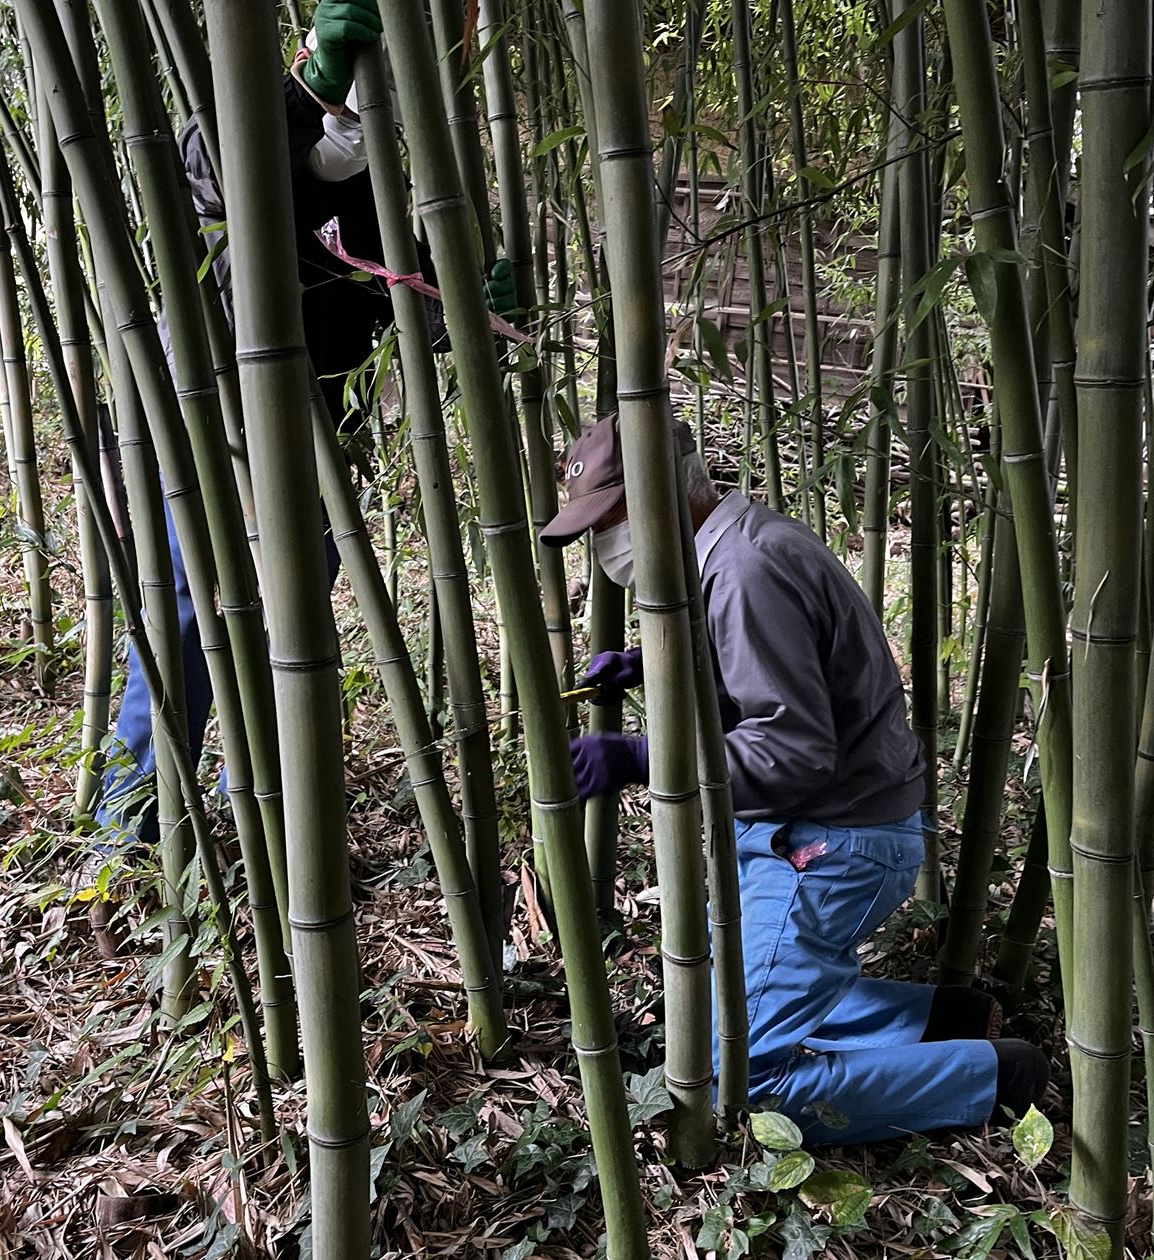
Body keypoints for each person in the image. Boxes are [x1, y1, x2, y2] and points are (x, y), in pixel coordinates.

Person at [539, 417, 1050, 1145]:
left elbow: (794, 749)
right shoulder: (728, 550)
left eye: (610, 520)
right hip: (814, 828)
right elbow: (760, 683)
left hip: (833, 844)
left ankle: (993, 1078)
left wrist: (645, 758)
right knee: (715, 994)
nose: (605, 544)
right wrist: (651, 668)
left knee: (727, 1081)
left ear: (665, 494)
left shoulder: (746, 571)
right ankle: (938, 1021)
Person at [92, 0, 515, 862]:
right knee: (187, 602)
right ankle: (126, 827)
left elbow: (392, 287)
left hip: (316, 421)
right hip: (206, 412)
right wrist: (311, 85)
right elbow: (209, 178)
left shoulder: (388, 171)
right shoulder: (251, 106)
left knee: (301, 592)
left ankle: (254, 804)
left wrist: (469, 308)